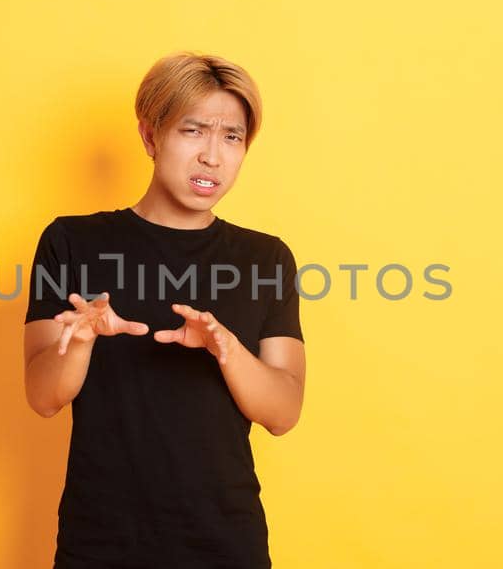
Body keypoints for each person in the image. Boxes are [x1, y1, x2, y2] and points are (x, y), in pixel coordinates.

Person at [22, 52, 307, 568]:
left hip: (225, 543)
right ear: (151, 137)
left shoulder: (265, 258)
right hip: (101, 542)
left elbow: (283, 413)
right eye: (193, 131)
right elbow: (42, 397)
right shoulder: (71, 241)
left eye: (232, 137)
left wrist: (226, 348)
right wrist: (80, 342)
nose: (213, 157)